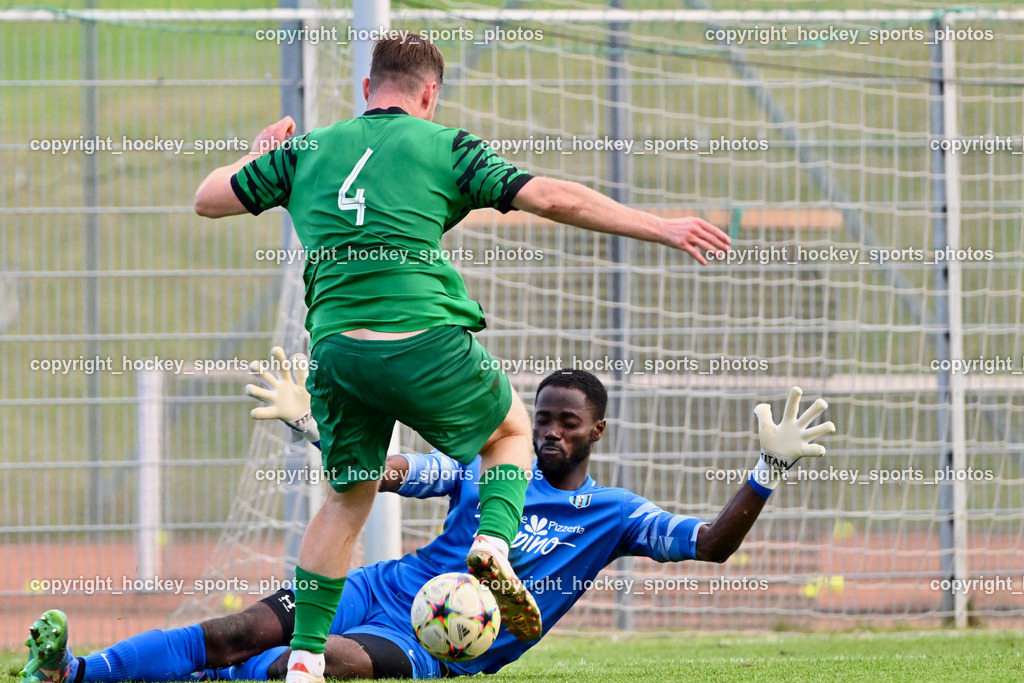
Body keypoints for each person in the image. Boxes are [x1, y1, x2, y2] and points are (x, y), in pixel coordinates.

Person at [190, 33, 732, 682]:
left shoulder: (307, 150)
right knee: (509, 432)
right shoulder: (448, 145)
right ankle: (491, 549)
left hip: (335, 350)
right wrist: (662, 225)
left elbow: (208, 198)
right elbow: (552, 198)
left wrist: (256, 156)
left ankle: (305, 658)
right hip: (423, 339)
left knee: (344, 499)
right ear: (430, 94)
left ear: (367, 90)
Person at [22, 361, 834, 681]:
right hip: (380, 584)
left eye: (566, 422)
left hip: (433, 641)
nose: (549, 430)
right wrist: (319, 428)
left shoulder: (615, 515)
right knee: (240, 629)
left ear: (597, 432)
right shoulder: (488, 467)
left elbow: (707, 544)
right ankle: (73, 674)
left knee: (304, 667)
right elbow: (401, 468)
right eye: (541, 416)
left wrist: (764, 473)